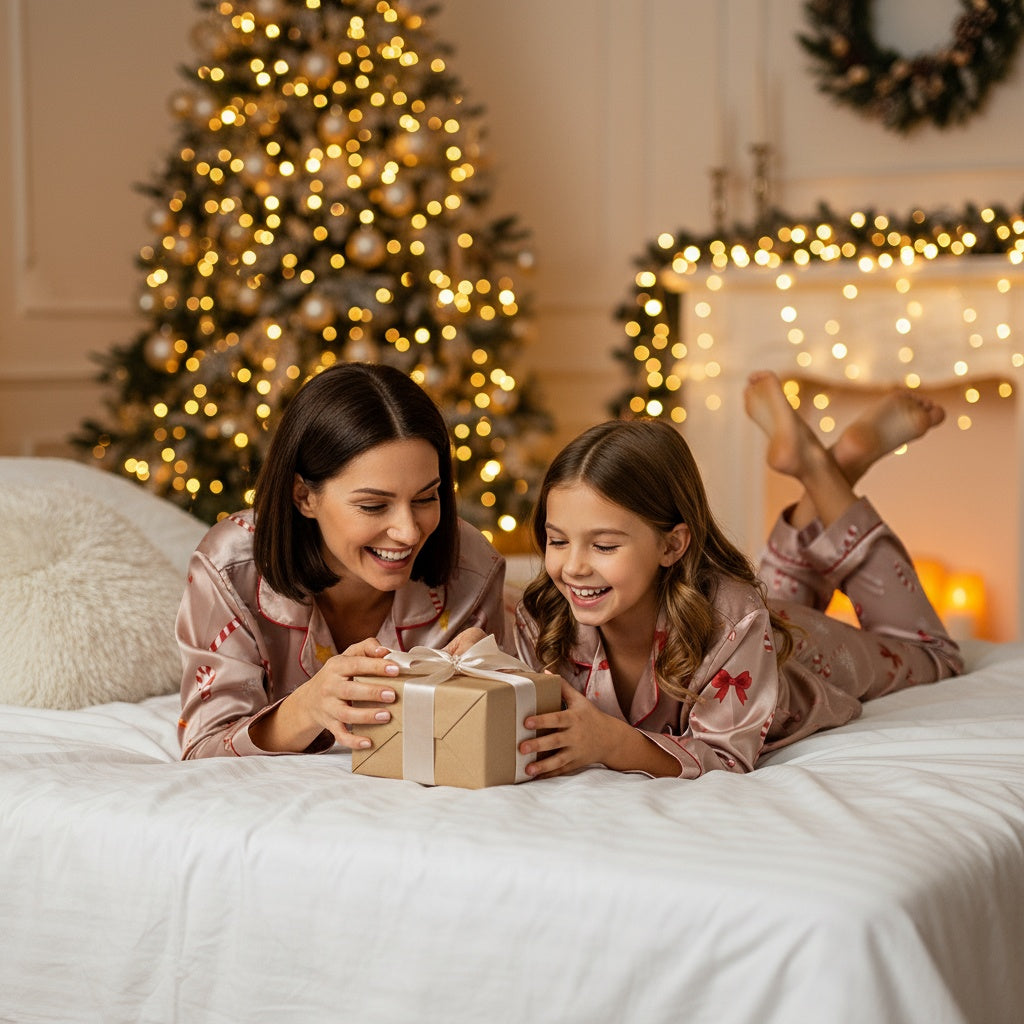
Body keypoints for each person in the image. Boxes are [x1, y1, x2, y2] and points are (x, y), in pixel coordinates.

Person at [514, 370, 963, 780]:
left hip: (800, 648)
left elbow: (725, 758)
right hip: (755, 622)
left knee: (935, 656)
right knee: (765, 596)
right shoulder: (547, 613)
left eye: (604, 545)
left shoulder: (734, 617)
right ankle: (831, 468)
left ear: (672, 544)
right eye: (557, 541)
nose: (572, 567)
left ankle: (825, 469)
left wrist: (613, 742)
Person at [177, 362, 506, 759]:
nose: (409, 531)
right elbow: (203, 747)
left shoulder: (471, 565)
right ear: (304, 496)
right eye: (372, 505)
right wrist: (307, 706)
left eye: (425, 498)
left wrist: (498, 677)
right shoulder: (230, 568)